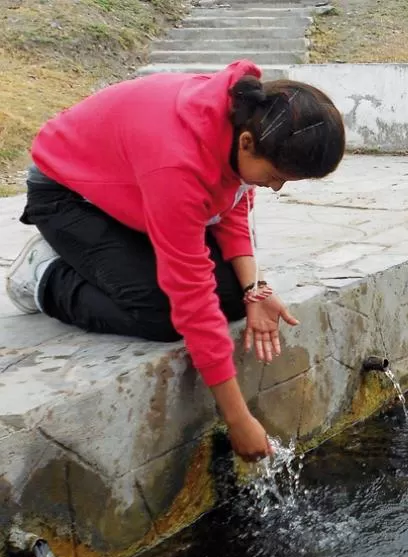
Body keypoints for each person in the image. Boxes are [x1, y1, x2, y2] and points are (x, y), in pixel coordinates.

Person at [5, 60, 346, 461]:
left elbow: (231, 200)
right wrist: (238, 419)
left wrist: (255, 289)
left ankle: (112, 257)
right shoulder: (177, 164)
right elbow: (191, 300)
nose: (276, 187)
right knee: (162, 316)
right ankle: (44, 276)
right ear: (248, 143)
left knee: (234, 298)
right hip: (71, 198)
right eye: (276, 176)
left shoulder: (241, 120)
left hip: (132, 190)